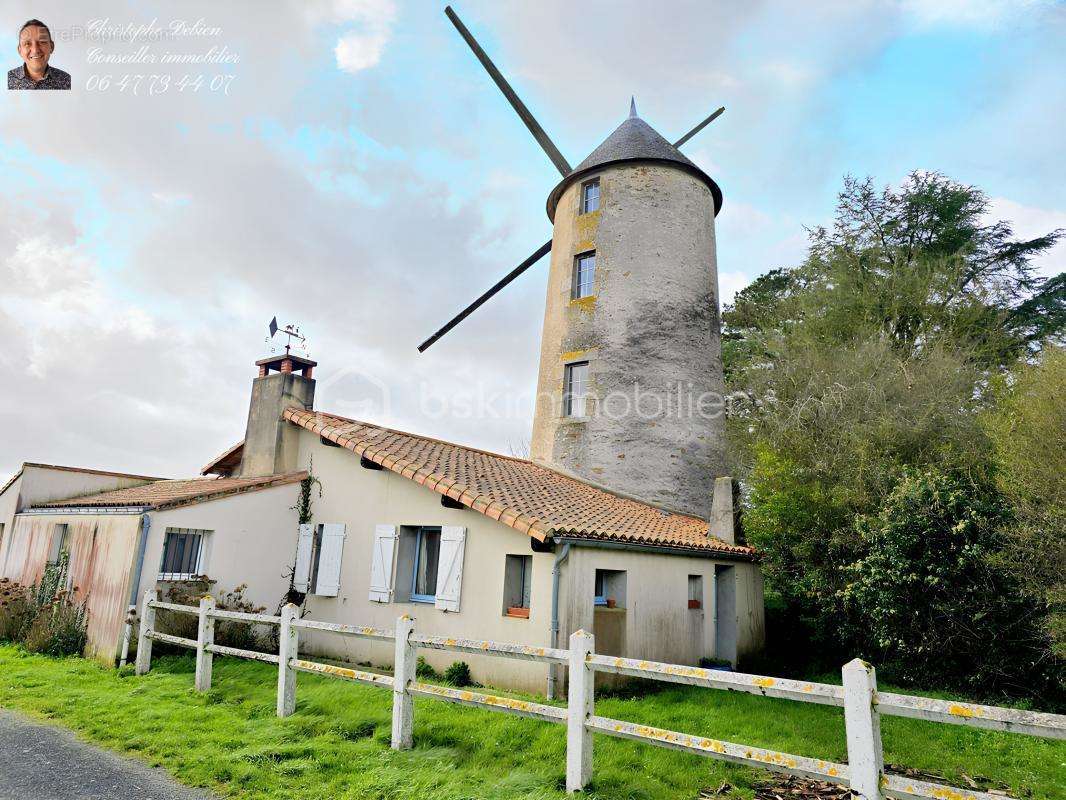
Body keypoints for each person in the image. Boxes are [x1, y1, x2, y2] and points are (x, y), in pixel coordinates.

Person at [8, 19, 70, 90]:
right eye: (27, 43)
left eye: (42, 42)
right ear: (20, 50)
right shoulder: (6, 80)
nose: (35, 50)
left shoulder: (66, 80)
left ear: (51, 47)